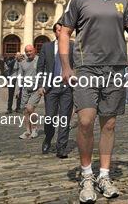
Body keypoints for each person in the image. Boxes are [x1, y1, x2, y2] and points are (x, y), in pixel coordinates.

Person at [60, 0, 128, 203]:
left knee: (109, 125)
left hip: (116, 69)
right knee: (86, 121)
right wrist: (66, 66)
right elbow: (65, 32)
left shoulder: (122, 3)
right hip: (86, 68)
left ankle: (104, 175)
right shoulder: (79, 0)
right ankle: (86, 175)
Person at [37, 23, 74, 158]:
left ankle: (61, 147)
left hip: (66, 87)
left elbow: (75, 65)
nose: (62, 32)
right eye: (59, 30)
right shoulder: (47, 47)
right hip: (50, 88)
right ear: (55, 33)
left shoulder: (72, 47)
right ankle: (48, 138)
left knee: (64, 118)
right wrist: (41, 85)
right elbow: (40, 67)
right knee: (50, 118)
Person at [18, 44, 41, 139]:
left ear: (34, 50)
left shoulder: (39, 60)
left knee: (30, 108)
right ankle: (28, 131)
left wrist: (42, 86)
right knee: (25, 111)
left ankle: (34, 129)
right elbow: (20, 77)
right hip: (25, 89)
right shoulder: (22, 63)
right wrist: (17, 90)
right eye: (26, 51)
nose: (28, 53)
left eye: (30, 51)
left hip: (36, 89)